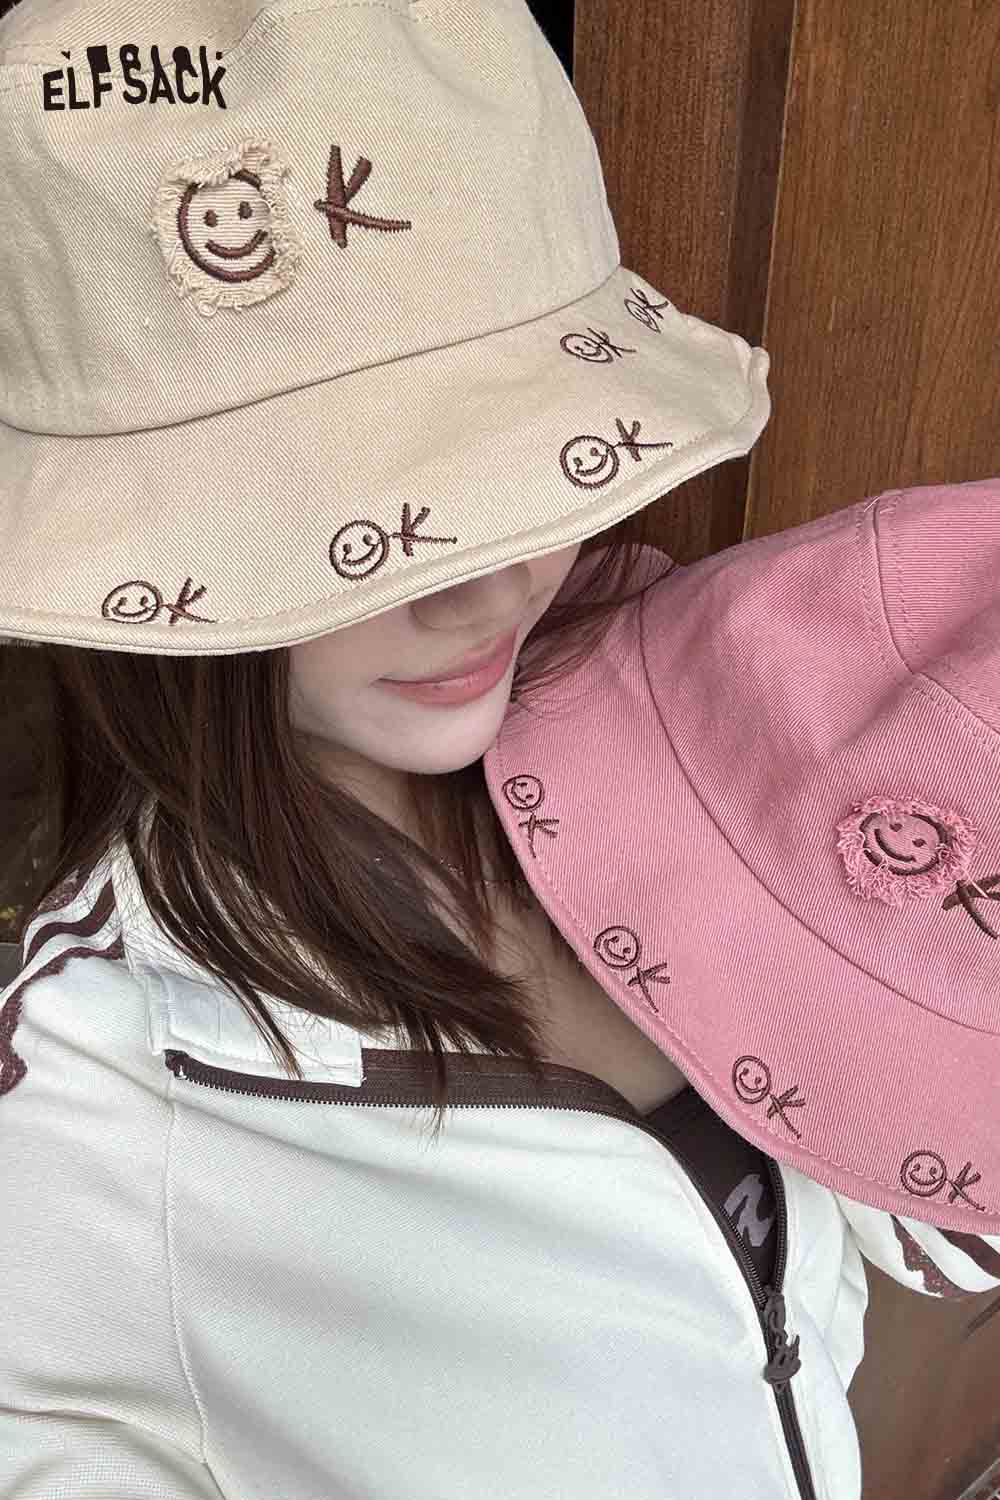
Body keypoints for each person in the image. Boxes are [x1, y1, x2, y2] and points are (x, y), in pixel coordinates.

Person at [1, 1, 999, 1497]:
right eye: (347, 520)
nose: (483, 586)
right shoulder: (98, 1092)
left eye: (515, 458)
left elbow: (905, 1206)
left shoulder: (683, 700)